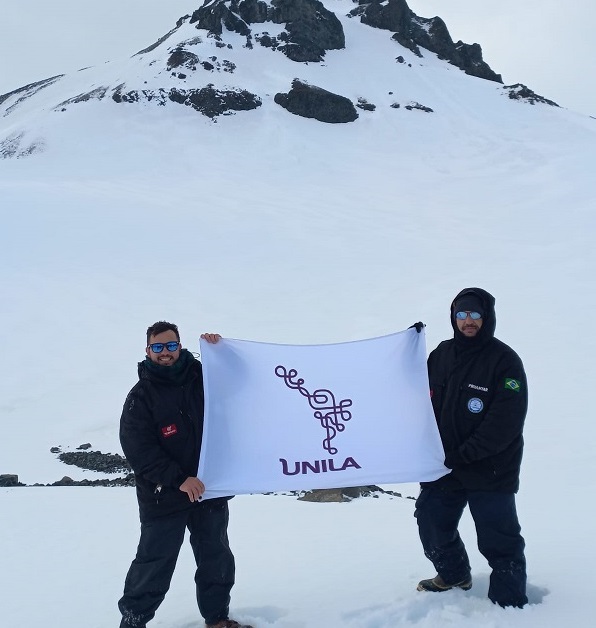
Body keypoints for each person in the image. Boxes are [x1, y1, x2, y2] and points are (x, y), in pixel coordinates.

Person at [118, 321, 252, 628]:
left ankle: (217, 619)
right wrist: (179, 479)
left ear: (180, 346)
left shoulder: (204, 378)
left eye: (170, 345)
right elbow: (140, 451)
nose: (165, 353)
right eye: (158, 347)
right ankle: (133, 622)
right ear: (148, 351)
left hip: (209, 489)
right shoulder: (141, 396)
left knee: (216, 558)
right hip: (164, 497)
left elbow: (242, 380)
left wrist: (223, 352)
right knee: (154, 564)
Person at [415, 288, 528, 608]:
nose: (468, 321)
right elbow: (418, 400)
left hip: (491, 467)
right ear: (453, 317)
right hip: (444, 464)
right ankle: (453, 574)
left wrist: (463, 454)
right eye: (461, 315)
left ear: (486, 317)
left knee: (499, 538)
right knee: (431, 521)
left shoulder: (504, 361)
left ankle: (510, 602)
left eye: (475, 315)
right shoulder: (441, 354)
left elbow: (505, 423)